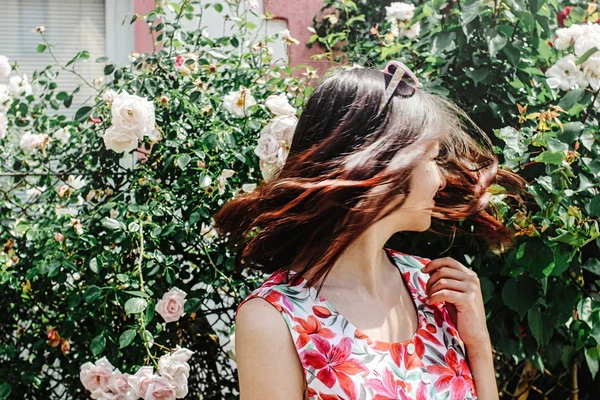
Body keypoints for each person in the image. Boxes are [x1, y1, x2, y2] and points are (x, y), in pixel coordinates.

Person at [214, 61, 524, 400]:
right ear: (384, 161)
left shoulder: (433, 287)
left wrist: (477, 342)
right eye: (433, 159)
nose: (441, 179)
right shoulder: (276, 319)